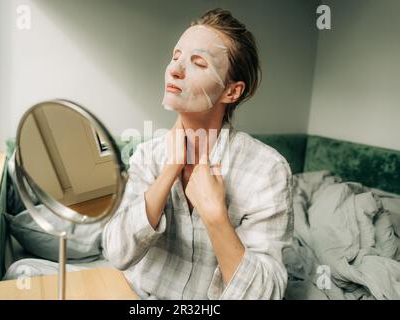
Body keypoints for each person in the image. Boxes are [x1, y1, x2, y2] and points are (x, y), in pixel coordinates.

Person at [102, 8, 293, 300]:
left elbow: (263, 295)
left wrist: (216, 216)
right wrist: (168, 172)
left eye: (198, 62)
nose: (175, 69)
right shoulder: (147, 155)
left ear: (231, 91)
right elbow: (116, 253)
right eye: (175, 55)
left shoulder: (268, 171)